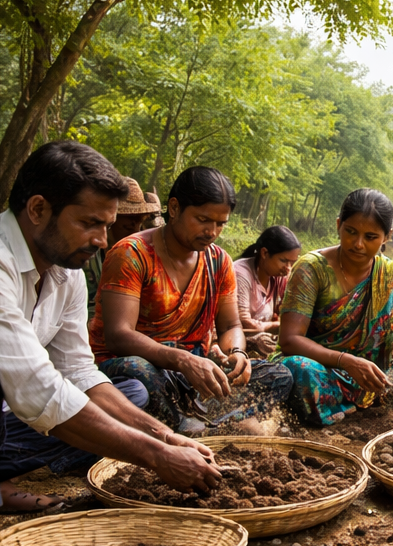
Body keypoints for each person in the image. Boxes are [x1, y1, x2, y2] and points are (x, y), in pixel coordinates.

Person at [0, 141, 219, 546]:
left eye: (106, 226)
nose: (103, 240)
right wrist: (155, 457)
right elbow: (38, 388)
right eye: (90, 223)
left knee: (129, 394)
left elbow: (79, 372)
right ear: (38, 210)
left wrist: (163, 437)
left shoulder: (65, 268)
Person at [90, 165, 292, 431]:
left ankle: (203, 425)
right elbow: (119, 336)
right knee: (139, 372)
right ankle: (207, 426)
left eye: (220, 223)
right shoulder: (131, 254)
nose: (212, 231)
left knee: (278, 375)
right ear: (174, 208)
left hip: (193, 368)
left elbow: (230, 326)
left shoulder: (218, 261)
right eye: (203, 220)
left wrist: (238, 353)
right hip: (143, 366)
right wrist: (182, 360)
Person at [278, 188, 393, 427]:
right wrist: (347, 362)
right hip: (327, 372)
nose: (358, 244)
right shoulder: (312, 269)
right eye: (350, 232)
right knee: (299, 371)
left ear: (386, 236)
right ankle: (367, 405)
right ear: (339, 225)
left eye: (371, 237)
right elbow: (290, 340)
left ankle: (346, 407)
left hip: (377, 377)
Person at [85, 178, 161, 318]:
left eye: (139, 224)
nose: (135, 232)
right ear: (110, 221)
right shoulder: (86, 257)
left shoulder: (147, 257)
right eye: (127, 226)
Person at [234, 225, 301, 357]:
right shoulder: (241, 273)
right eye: (284, 261)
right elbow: (244, 323)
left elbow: (290, 312)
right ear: (264, 253)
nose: (288, 268)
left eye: (292, 263)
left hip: (264, 337)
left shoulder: (279, 276)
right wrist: (276, 325)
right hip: (239, 339)